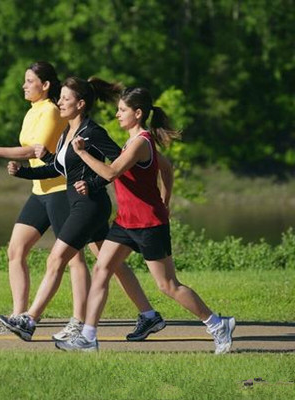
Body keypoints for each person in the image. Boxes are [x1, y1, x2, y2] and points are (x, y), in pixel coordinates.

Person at [56, 87, 236, 354]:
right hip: (125, 223)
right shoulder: (131, 143)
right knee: (101, 270)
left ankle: (217, 324)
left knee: (168, 285)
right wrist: (166, 198)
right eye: (118, 109)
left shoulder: (140, 142)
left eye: (122, 110)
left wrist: (83, 153)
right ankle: (89, 338)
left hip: (149, 224)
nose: (117, 114)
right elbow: (166, 168)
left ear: (137, 113)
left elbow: (112, 171)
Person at [0, 77, 167, 342]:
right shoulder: (68, 132)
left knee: (56, 259)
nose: (60, 102)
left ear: (80, 104)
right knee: (112, 264)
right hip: (82, 203)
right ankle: (148, 315)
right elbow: (59, 168)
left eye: (65, 98)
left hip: (90, 206)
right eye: (60, 98)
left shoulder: (93, 132)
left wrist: (94, 182)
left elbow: (117, 164)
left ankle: (29, 320)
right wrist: (23, 172)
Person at [0, 61, 93, 339]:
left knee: (74, 258)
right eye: (25, 81)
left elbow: (33, 150)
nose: (24, 85)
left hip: (59, 192)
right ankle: (18, 316)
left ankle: (79, 320)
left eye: (30, 81)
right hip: (39, 192)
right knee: (15, 251)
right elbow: (33, 151)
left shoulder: (52, 111)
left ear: (46, 85)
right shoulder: (32, 112)